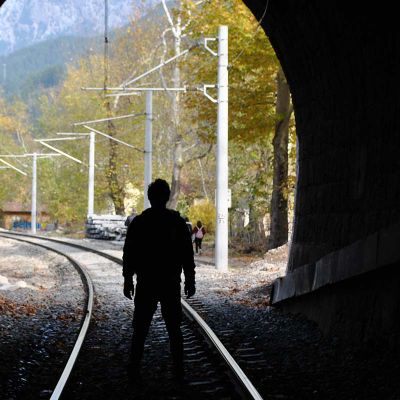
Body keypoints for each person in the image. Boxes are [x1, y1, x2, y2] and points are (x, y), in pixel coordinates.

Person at [122, 179, 196, 380]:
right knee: (174, 328)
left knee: (140, 328)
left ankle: (134, 370)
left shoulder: (139, 223)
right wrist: (190, 279)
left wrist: (128, 279)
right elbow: (187, 254)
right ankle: (179, 371)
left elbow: (129, 253)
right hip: (170, 282)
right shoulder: (177, 222)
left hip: (146, 282)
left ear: (150, 197)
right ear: (167, 197)